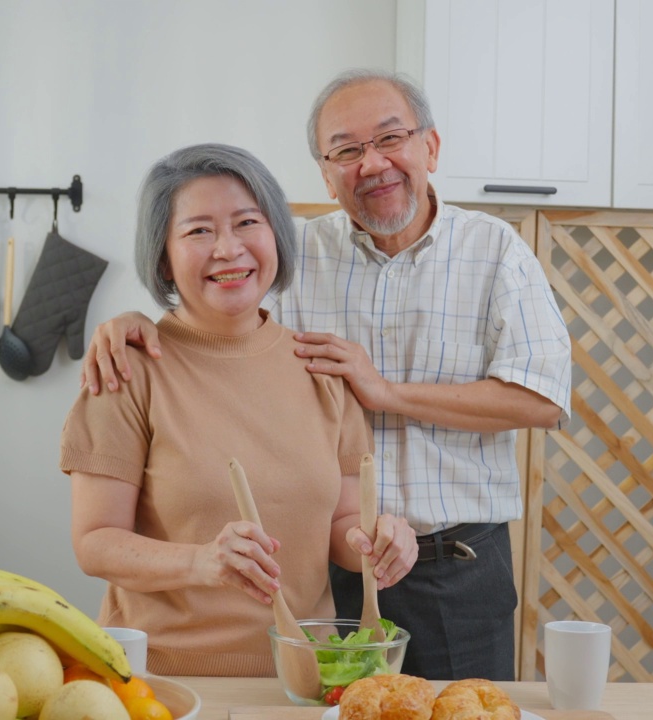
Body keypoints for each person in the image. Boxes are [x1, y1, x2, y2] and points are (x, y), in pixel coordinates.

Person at [80, 70, 573, 681]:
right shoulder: (292, 253)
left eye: (390, 139)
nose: (372, 164)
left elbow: (543, 400)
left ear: (431, 147)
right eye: (346, 150)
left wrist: (385, 393)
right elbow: (214, 327)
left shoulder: (495, 250)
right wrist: (129, 320)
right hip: (324, 579)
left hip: (452, 564)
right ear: (325, 170)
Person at [60, 143, 418, 677]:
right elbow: (94, 543)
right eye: (198, 231)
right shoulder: (127, 369)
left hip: (307, 675)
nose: (228, 249)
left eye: (247, 222)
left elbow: (342, 524)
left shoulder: (319, 367)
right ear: (163, 255)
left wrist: (380, 543)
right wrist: (202, 561)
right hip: (161, 679)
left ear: (275, 234)